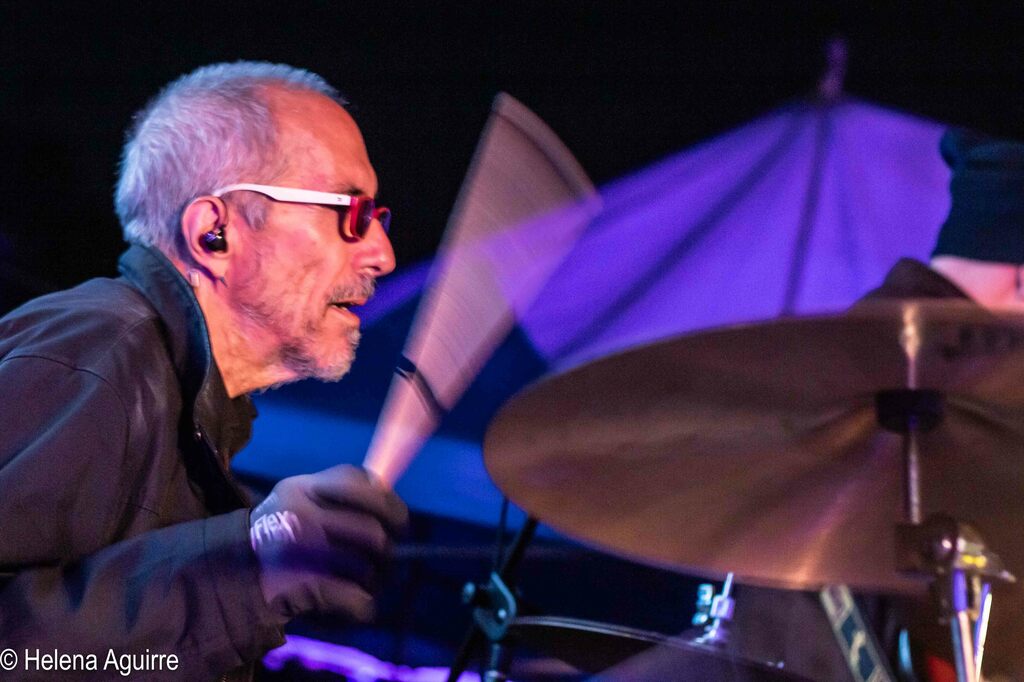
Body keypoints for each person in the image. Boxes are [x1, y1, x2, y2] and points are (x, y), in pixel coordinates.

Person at [0, 62, 408, 680]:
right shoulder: (100, 352)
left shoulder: (182, 405)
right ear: (215, 233)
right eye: (352, 214)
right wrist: (249, 566)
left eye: (379, 220)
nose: (384, 254)